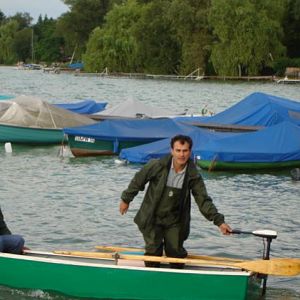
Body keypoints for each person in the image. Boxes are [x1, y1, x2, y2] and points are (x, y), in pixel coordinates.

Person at [119, 134, 231, 267]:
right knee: (153, 252)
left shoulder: (193, 175)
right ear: (172, 151)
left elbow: (203, 200)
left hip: (175, 220)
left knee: (175, 253)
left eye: (185, 151)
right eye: (178, 150)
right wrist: (126, 200)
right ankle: (151, 277)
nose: (181, 155)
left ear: (190, 152)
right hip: (152, 217)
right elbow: (138, 181)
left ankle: (177, 277)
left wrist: (219, 222)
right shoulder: (156, 165)